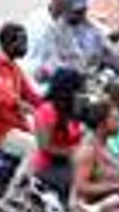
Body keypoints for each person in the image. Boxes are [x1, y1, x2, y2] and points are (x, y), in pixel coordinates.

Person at [37, 0, 119, 82]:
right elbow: (50, 61)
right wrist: (49, 71)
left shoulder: (91, 29)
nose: (81, 15)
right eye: (76, 12)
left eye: (83, 10)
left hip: (93, 80)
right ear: (65, 10)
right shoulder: (54, 31)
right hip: (69, 82)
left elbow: (111, 52)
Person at [0, 23, 42, 156]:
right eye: (22, 42)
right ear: (8, 43)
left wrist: (56, 104)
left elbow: (31, 95)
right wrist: (19, 103)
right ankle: (20, 177)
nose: (25, 47)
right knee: (37, 150)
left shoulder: (15, 68)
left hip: (15, 126)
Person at [30, 67, 85, 197]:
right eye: (78, 91)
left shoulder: (72, 109)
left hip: (69, 163)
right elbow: (45, 147)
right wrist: (71, 152)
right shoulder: (46, 111)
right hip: (49, 167)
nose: (81, 94)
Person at [21, 0, 75, 87]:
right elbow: (31, 57)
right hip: (33, 77)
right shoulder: (37, 21)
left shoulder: (65, 22)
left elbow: (70, 53)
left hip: (53, 74)